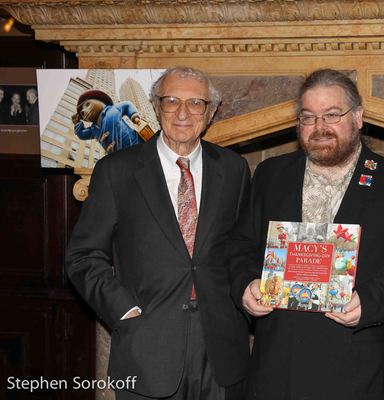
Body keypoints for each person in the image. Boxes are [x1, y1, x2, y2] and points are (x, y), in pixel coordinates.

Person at [230, 68, 384, 400]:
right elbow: (241, 244)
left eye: (332, 115)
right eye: (308, 117)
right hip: (274, 369)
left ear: (357, 117)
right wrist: (246, 284)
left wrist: (368, 303)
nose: (319, 127)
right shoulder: (271, 175)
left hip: (353, 371)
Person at [66, 67, 250, 400]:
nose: (183, 112)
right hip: (146, 347)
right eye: (171, 101)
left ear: (210, 113)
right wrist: (123, 310)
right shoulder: (116, 171)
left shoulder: (234, 169)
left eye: (196, 102)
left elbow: (242, 246)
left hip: (221, 349)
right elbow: (82, 256)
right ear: (155, 106)